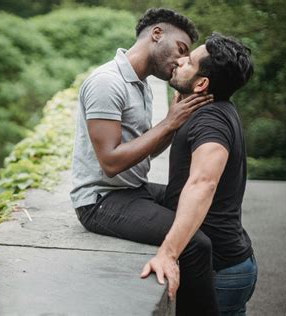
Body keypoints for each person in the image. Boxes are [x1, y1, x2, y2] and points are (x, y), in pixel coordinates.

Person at [70, 8, 218, 315]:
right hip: (101, 201)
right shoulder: (106, 82)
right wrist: (169, 124)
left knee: (201, 206)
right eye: (181, 50)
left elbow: (144, 150)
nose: (181, 61)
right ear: (156, 34)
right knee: (195, 244)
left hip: (133, 190)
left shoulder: (143, 84)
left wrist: (173, 122)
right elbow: (110, 162)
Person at [141, 33, 257, 315]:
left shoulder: (210, 120)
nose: (180, 60)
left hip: (221, 270)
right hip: (232, 263)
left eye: (189, 61)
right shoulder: (216, 108)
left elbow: (203, 183)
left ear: (202, 83)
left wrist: (168, 253)